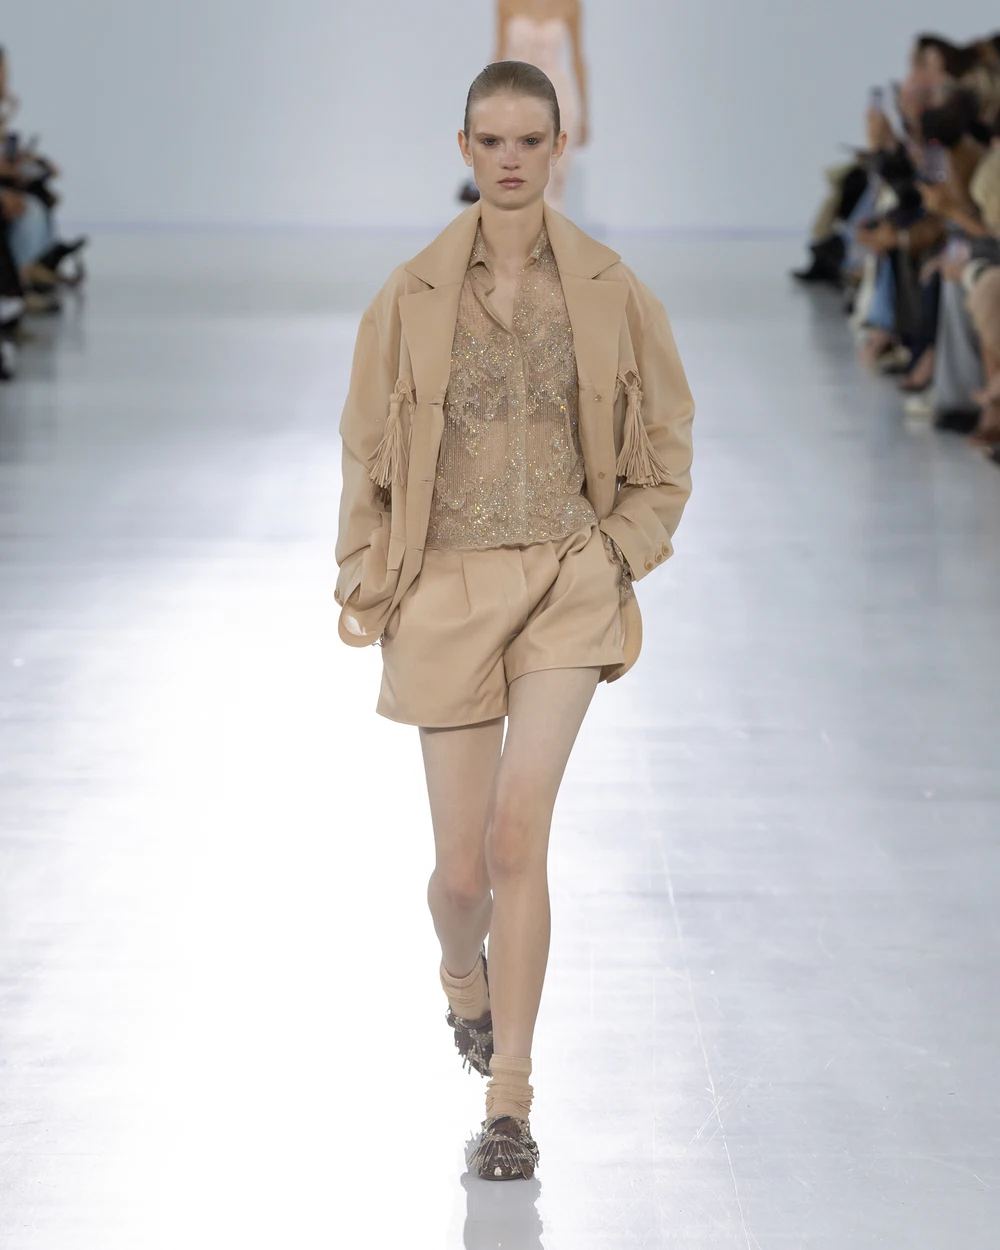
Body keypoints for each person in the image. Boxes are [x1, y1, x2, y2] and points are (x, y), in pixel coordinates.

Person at [333, 61, 694, 1180]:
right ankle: (462, 979)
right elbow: (363, 449)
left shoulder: (613, 289)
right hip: (443, 587)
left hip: (566, 580)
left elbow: (667, 438)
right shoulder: (407, 295)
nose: (509, 159)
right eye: (490, 140)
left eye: (529, 140)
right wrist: (365, 574)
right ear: (463, 148)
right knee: (459, 879)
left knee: (513, 838)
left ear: (557, 147)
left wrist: (619, 550)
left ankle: (511, 1104)